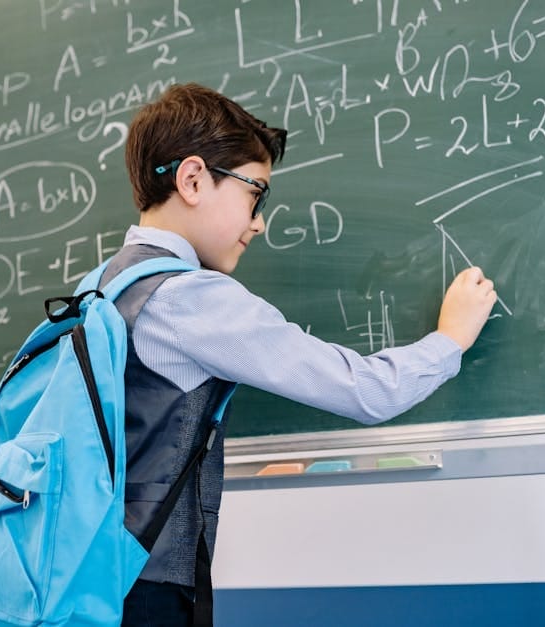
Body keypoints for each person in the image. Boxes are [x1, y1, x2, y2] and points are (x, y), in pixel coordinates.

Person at [104, 83, 497, 626]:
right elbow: (365, 390)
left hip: (89, 576)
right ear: (193, 179)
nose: (259, 221)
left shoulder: (100, 288)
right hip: (143, 590)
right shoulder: (189, 299)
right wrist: (451, 338)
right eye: (254, 193)